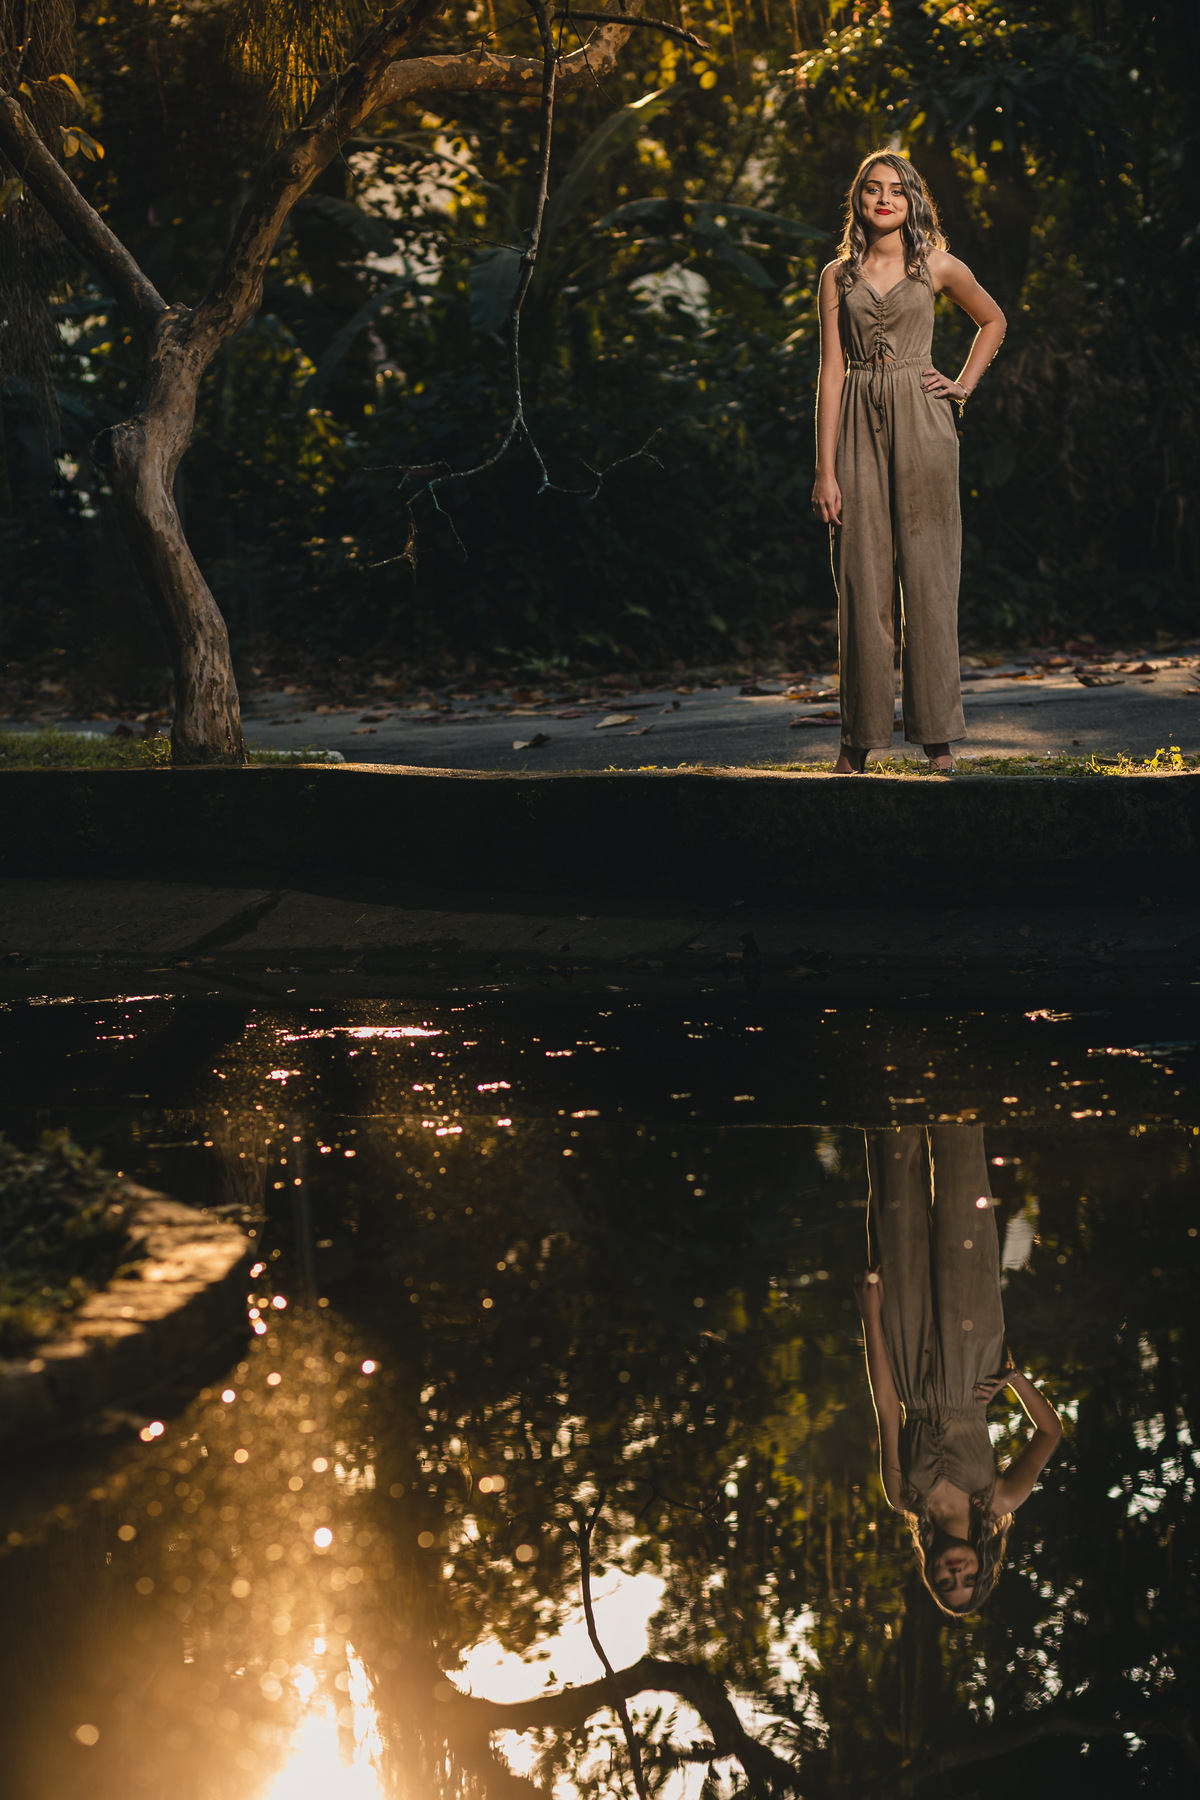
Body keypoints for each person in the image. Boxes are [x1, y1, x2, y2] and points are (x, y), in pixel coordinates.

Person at [812, 151, 1007, 774]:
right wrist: (824, 470)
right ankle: (857, 741)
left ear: (913, 199)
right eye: (872, 189)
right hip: (856, 432)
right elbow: (832, 370)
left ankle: (937, 738)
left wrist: (963, 384)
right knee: (861, 580)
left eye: (896, 190)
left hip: (924, 422)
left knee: (929, 576)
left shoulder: (938, 266)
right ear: (859, 200)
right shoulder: (837, 276)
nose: (884, 199)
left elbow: (992, 320)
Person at [856, 1125, 1062, 1614]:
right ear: (983, 1566)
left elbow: (887, 1407)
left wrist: (870, 1316)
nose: (957, 1573)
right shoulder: (1000, 1500)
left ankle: (892, 1107)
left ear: (931, 1572)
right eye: (968, 1579)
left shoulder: (903, 1496)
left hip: (907, 1365)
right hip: (975, 1366)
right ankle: (957, 1112)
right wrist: (1013, 1379)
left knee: (897, 1226)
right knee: (963, 1228)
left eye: (947, 1583)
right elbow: (1050, 1433)